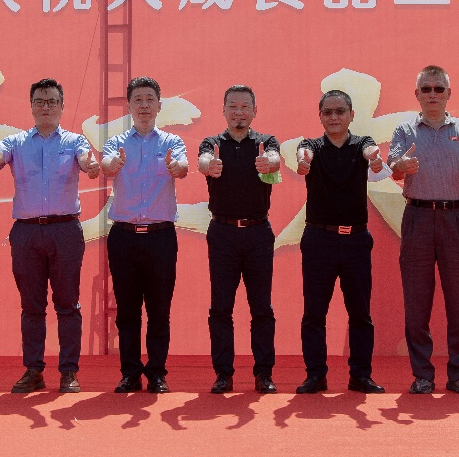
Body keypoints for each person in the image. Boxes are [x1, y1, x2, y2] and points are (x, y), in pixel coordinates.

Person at [0, 78, 100, 394]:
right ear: (31, 106)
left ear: (61, 106)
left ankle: (69, 372)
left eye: (52, 101)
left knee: (67, 303)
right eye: (40, 101)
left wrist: (92, 165)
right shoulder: (16, 142)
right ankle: (33, 370)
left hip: (65, 230)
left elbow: (88, 162)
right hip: (27, 232)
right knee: (31, 305)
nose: (46, 107)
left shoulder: (74, 141)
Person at [388, 65, 459, 395]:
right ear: (416, 94)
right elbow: (394, 167)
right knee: (417, 301)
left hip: (455, 218)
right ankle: (422, 375)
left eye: (438, 89)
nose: (432, 94)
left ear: (448, 94)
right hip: (417, 218)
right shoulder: (404, 130)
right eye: (426, 89)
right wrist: (401, 166)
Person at [293, 89, 386, 395]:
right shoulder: (311, 146)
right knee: (314, 313)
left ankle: (360, 376)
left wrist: (374, 159)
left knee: (360, 314)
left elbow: (371, 152)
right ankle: (315, 375)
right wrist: (303, 161)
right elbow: (302, 155)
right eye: (328, 112)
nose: (334, 117)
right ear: (320, 116)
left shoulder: (362, 144)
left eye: (340, 111)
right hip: (319, 239)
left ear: (351, 115)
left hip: (356, 240)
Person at [101, 77, 189, 394]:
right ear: (129, 106)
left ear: (159, 105)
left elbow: (182, 167)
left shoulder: (171, 142)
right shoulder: (116, 142)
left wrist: (176, 167)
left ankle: (157, 373)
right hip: (124, 237)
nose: (144, 105)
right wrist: (114, 163)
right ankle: (129, 373)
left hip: (160, 238)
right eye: (138, 99)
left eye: (150, 99)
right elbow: (107, 165)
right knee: (127, 311)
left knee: (159, 309)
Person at [197, 84, 281, 394]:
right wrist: (208, 167)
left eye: (245, 106)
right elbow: (202, 161)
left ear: (254, 111)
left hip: (258, 233)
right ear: (223, 110)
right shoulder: (212, 144)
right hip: (223, 234)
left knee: (262, 308)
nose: (239, 112)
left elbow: (275, 158)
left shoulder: (265, 143)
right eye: (233, 106)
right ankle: (223, 374)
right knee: (221, 307)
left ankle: (264, 374)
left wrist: (270, 162)